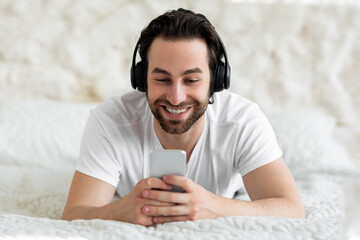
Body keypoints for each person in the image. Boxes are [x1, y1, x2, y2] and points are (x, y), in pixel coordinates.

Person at [62, 8, 305, 226]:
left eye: (191, 80)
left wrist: (214, 206)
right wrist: (118, 211)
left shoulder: (243, 121)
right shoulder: (109, 121)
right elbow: (74, 213)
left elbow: (292, 209)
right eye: (162, 79)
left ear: (216, 81)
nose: (176, 97)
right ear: (141, 79)